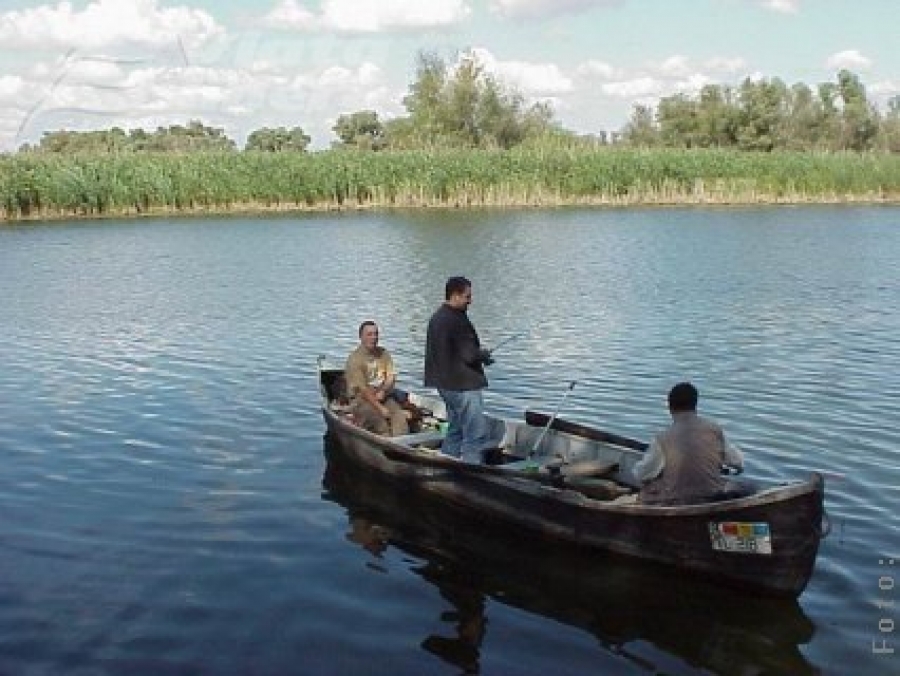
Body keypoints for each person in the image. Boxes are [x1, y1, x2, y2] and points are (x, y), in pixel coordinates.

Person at [632, 382, 744, 506]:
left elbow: (641, 474)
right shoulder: (715, 430)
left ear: (670, 407)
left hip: (677, 502)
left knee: (648, 489)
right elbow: (737, 462)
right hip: (713, 498)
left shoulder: (662, 438)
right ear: (695, 405)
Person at [424, 276, 494, 463]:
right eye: (467, 296)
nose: (470, 300)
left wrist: (478, 355)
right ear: (454, 295)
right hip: (463, 386)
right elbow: (469, 355)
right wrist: (483, 355)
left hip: (444, 384)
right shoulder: (456, 320)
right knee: (475, 433)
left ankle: (447, 463)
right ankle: (471, 472)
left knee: (456, 428)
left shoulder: (437, 317)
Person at [344, 320, 409, 437]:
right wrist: (380, 408)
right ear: (361, 337)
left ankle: (402, 445)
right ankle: (386, 443)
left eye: (376, 334)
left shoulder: (384, 353)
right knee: (380, 423)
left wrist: (383, 390)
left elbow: (391, 376)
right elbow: (363, 391)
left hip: (383, 396)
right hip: (361, 401)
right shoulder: (354, 359)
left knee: (399, 418)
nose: (373, 337)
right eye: (369, 334)